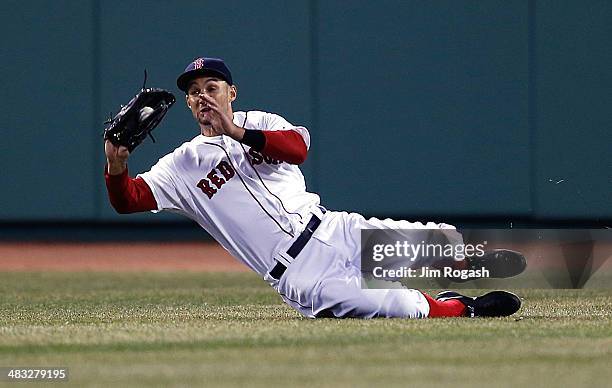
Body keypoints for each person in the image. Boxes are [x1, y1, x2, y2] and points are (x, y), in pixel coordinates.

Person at [104, 57, 524, 319]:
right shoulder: (183, 165)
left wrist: (235, 130)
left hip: (331, 231)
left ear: (231, 92)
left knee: (440, 242)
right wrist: (116, 165)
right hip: (298, 274)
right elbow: (130, 201)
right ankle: (460, 307)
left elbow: (298, 149)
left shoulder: (262, 122)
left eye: (211, 88)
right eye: (194, 93)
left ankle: (468, 263)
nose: (202, 97)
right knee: (392, 306)